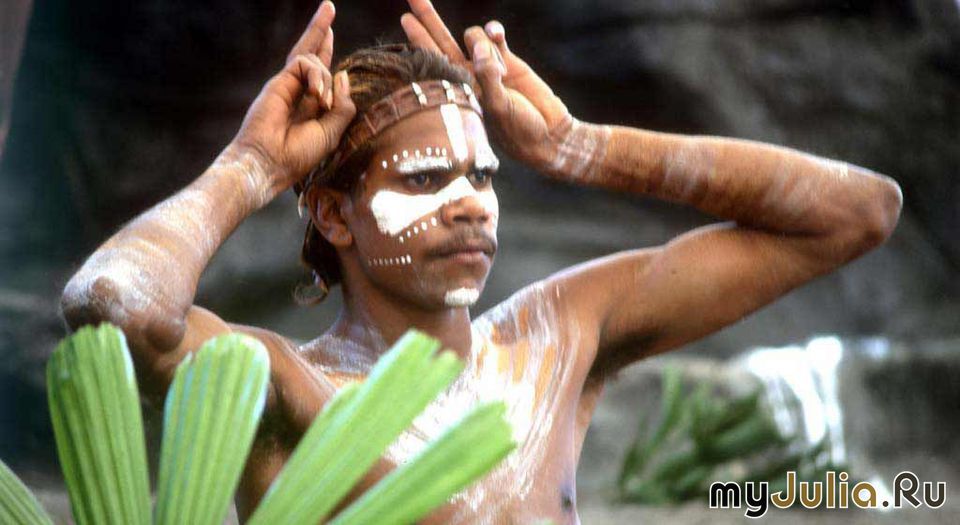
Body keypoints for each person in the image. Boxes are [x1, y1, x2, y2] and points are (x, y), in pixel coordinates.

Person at [59, 0, 902, 523]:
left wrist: (580, 146)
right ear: (335, 215)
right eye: (427, 178)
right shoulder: (285, 387)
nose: (470, 201)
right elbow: (112, 305)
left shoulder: (557, 336)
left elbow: (857, 213)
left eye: (484, 175)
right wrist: (250, 167)